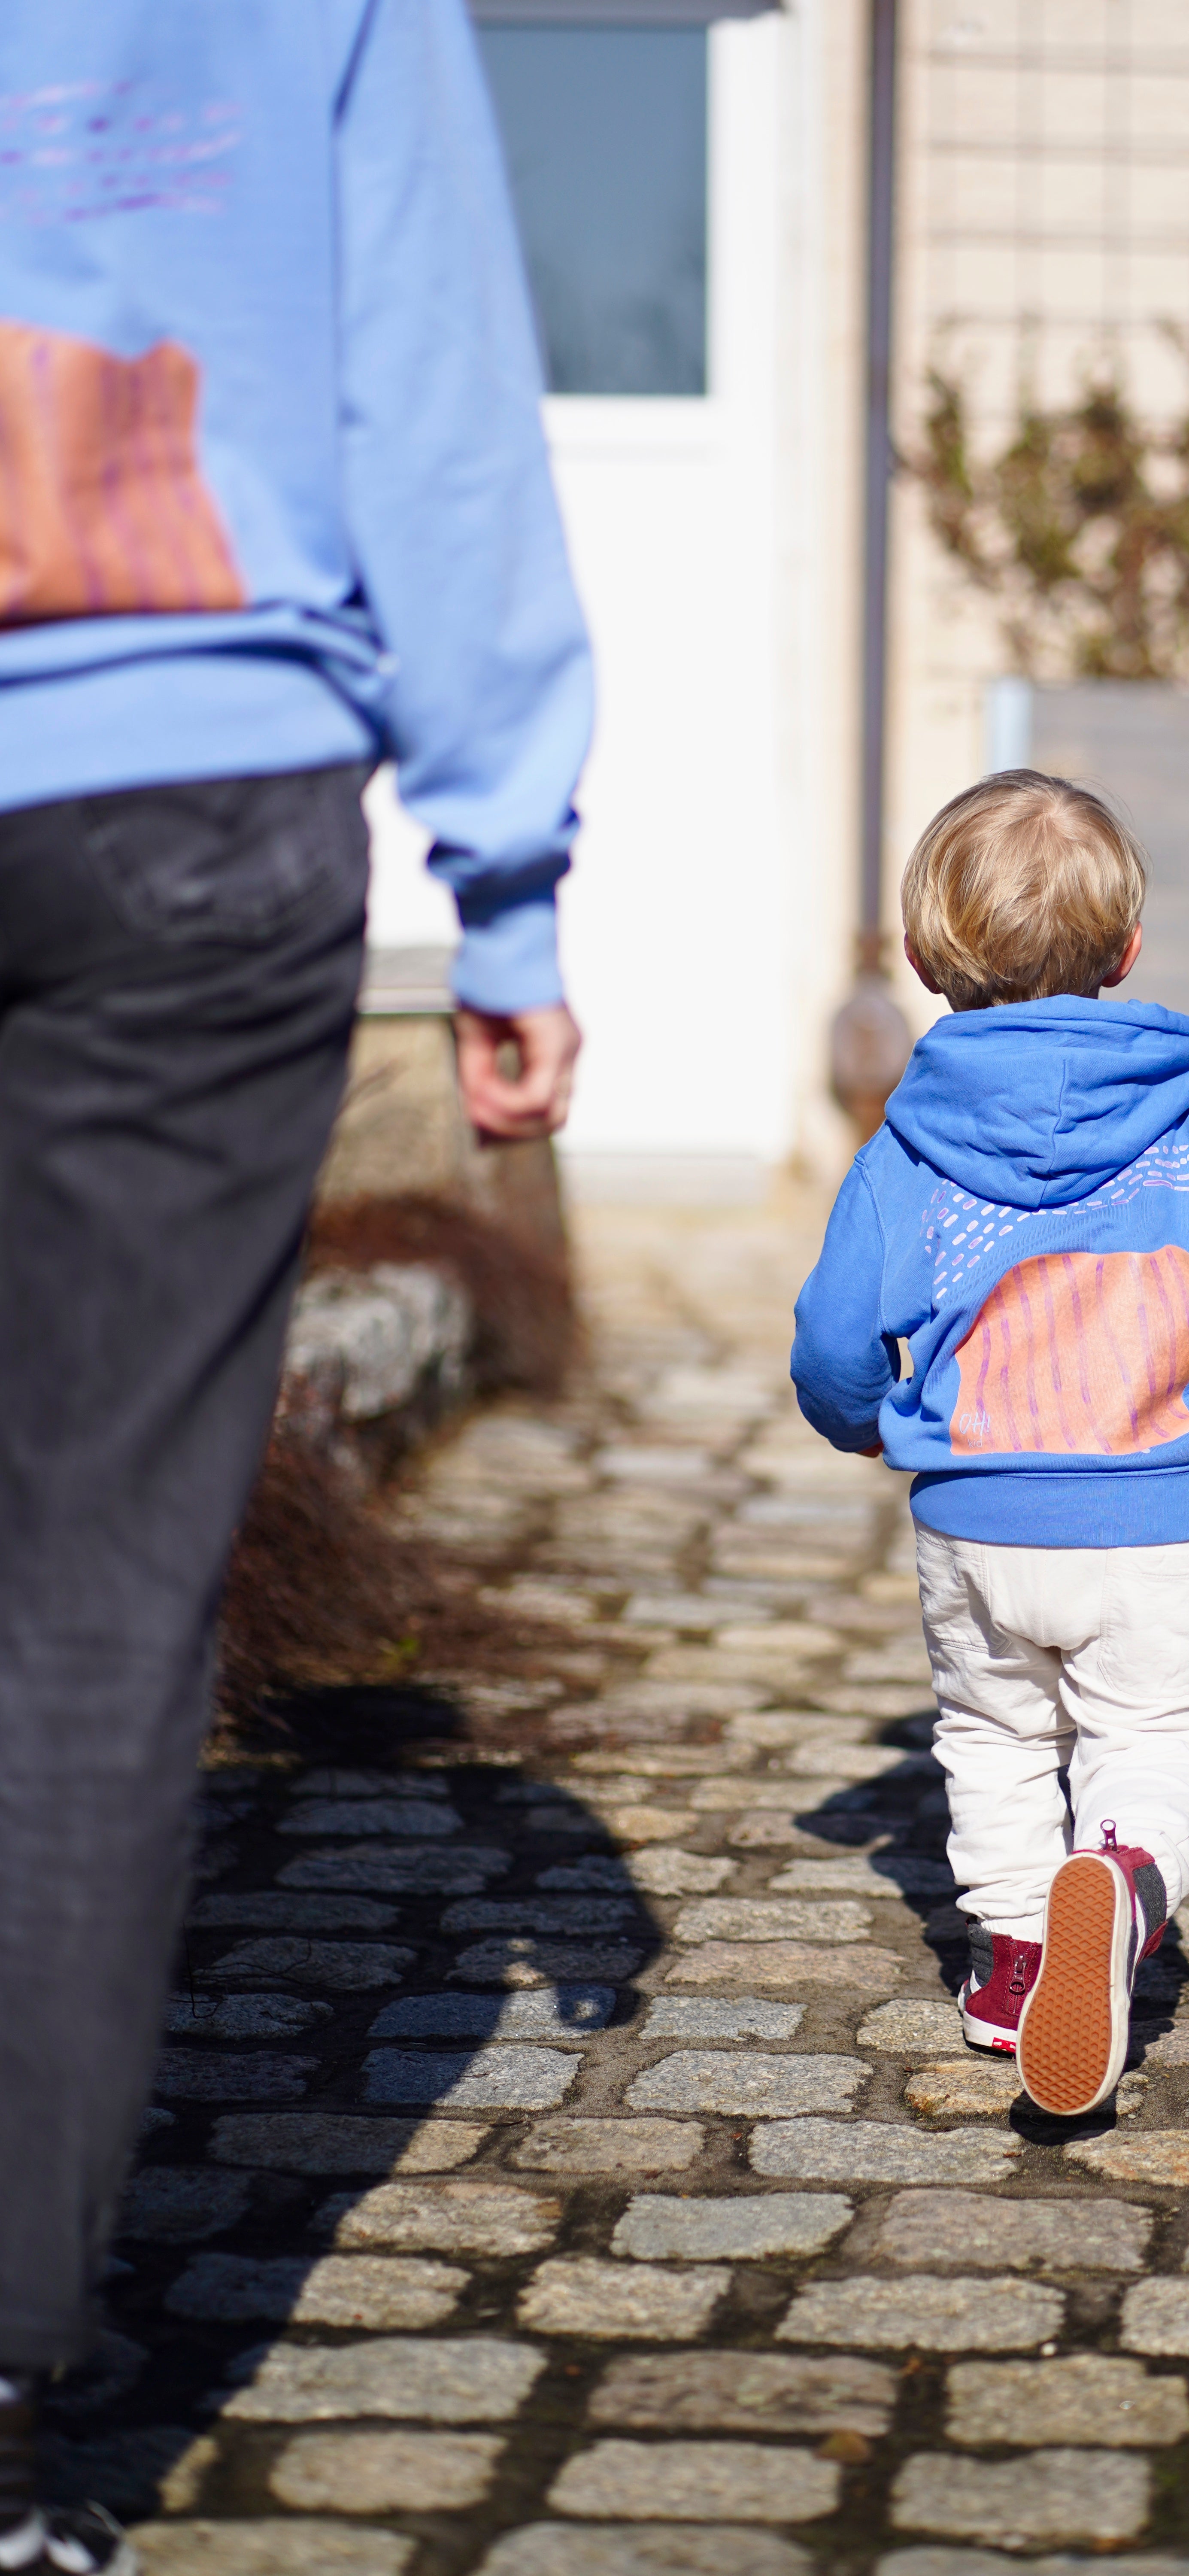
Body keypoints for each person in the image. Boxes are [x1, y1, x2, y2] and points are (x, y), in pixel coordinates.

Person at [0, 7, 590, 2566]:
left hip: (180, 790)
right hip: (190, 782)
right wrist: (510, 881)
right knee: (92, 1605)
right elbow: (432, 388)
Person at [791, 771, 1189, 2122]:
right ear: (1128, 951)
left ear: (923, 960)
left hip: (978, 1516)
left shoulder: (911, 1143)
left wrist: (859, 1421)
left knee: (992, 1734)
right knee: (1149, 1733)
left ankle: (1017, 1963)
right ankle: (1127, 1878)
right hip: (1153, 1511)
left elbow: (837, 1331)